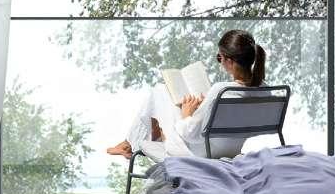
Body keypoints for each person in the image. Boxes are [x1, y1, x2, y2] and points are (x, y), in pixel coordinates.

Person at [105, 29, 267, 160]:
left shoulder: (222, 90)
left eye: (220, 58)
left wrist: (187, 113)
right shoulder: (265, 89)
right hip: (230, 148)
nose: (220, 62)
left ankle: (129, 143)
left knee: (159, 91)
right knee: (162, 95)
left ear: (229, 61)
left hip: (200, 152)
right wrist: (206, 108)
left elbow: (189, 134)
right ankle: (129, 142)